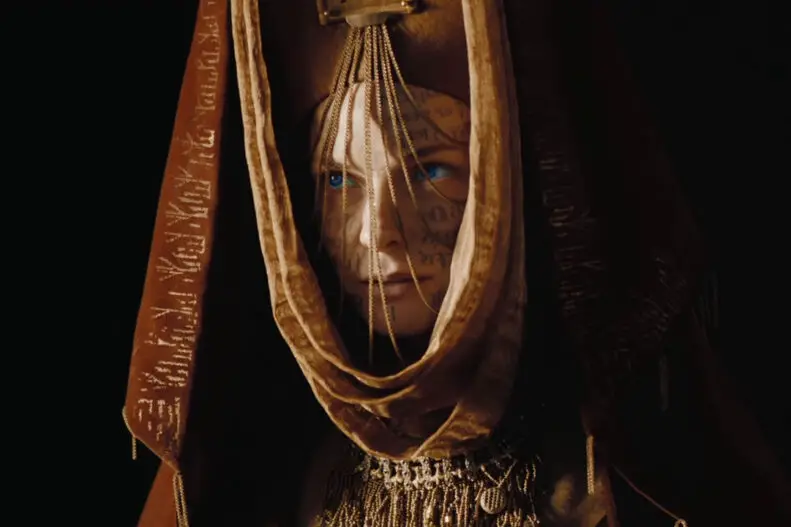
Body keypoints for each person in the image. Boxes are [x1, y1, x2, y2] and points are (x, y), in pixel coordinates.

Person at [124, 1, 791, 526]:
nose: (379, 235)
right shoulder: (270, 481)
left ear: (510, 192)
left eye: (431, 171)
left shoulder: (608, 487)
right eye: (338, 179)